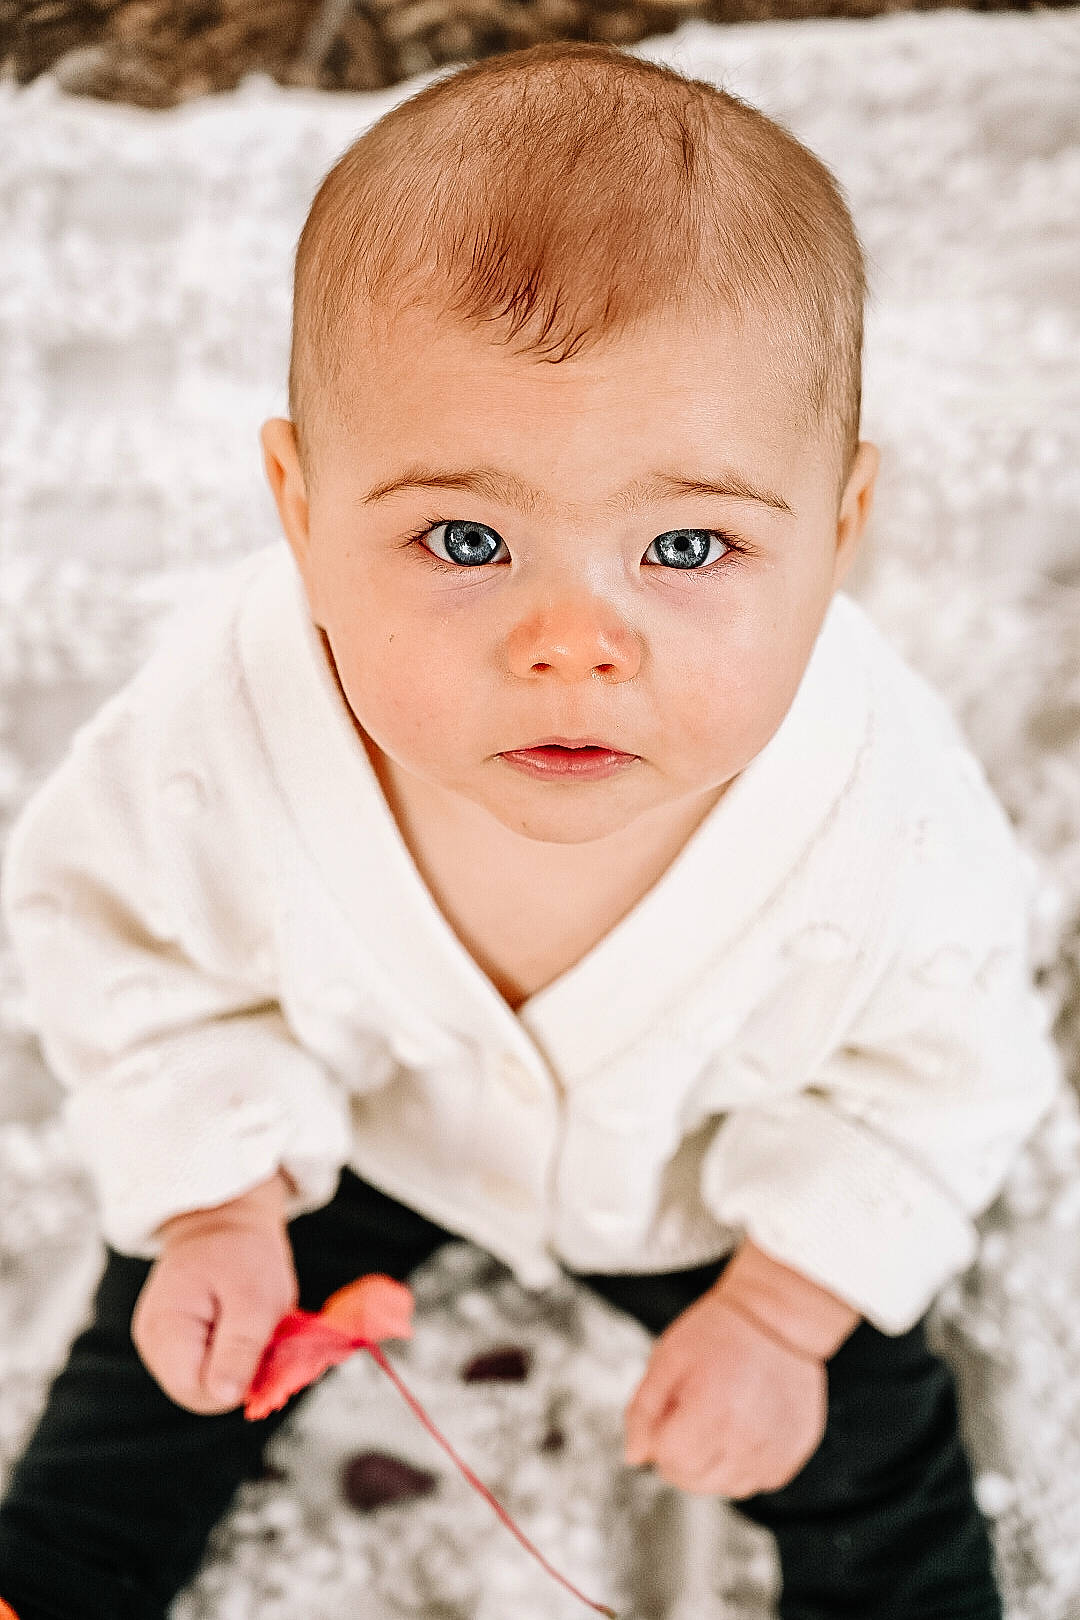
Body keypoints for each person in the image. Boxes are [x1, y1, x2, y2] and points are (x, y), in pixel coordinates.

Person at [0, 37, 1061, 1620]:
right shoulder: (217, 734)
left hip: (705, 1166)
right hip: (351, 1118)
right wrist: (219, 1195)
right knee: (170, 1349)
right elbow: (122, 942)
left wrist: (784, 1306)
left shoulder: (886, 818)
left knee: (866, 1441)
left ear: (840, 531)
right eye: (467, 538)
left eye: (687, 544)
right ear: (300, 510)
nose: (573, 640)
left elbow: (947, 1068)